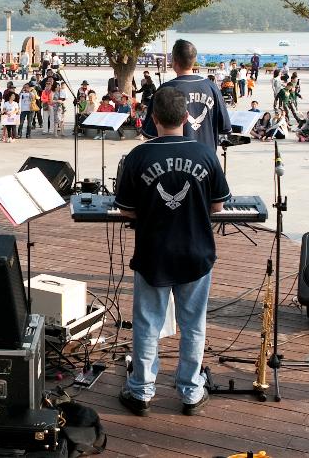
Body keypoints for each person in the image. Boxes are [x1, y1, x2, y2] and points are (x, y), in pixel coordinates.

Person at [113, 87, 230, 417]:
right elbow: (218, 204)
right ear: (185, 119)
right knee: (194, 324)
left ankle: (141, 391)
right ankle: (191, 391)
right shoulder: (206, 154)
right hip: (196, 252)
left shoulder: (138, 156)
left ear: (153, 118)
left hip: (154, 253)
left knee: (148, 323)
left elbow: (126, 209)